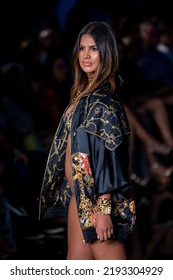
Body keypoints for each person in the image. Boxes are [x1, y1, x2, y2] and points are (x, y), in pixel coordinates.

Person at [39, 21, 136, 260]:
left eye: (93, 48)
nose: (86, 55)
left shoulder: (105, 102)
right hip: (79, 195)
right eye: (82, 48)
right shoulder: (83, 97)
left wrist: (102, 209)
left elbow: (109, 158)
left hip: (96, 201)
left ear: (106, 52)